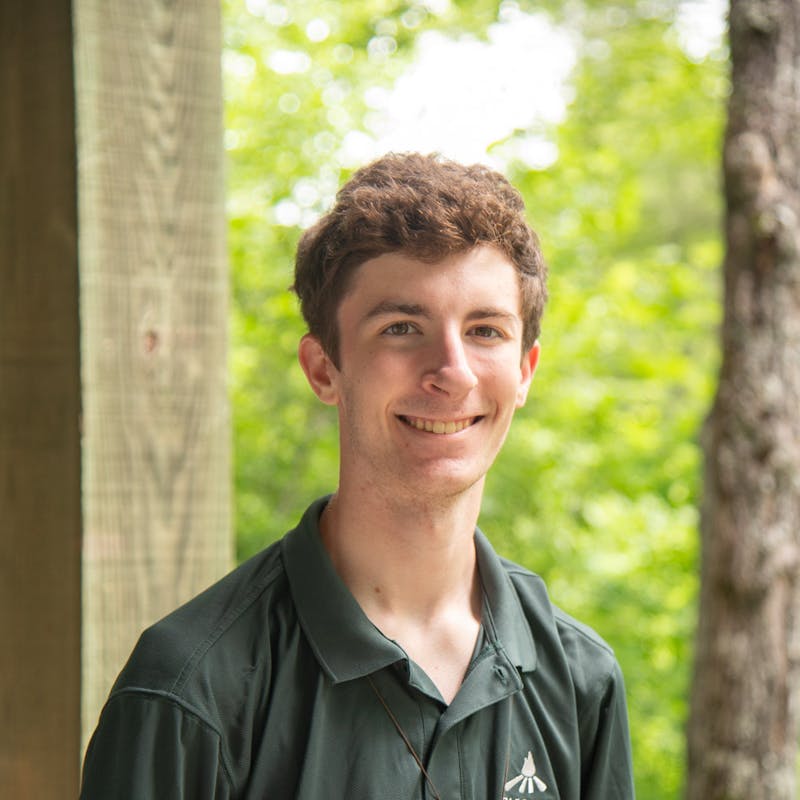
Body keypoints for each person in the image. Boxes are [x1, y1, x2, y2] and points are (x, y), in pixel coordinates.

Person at [81, 152, 635, 799]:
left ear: (525, 372)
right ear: (324, 369)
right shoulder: (187, 695)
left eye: (485, 331)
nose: (452, 371)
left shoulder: (581, 682)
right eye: (402, 328)